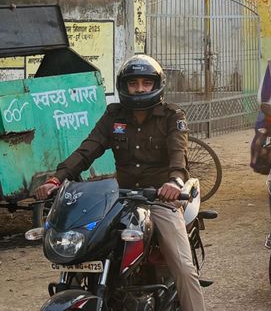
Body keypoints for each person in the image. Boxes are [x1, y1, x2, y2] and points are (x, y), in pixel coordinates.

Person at [34, 55, 206, 311]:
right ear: (124, 86)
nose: (140, 89)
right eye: (133, 83)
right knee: (87, 247)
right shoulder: (114, 115)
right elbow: (88, 149)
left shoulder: (172, 116)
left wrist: (174, 182)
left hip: (160, 199)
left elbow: (178, 154)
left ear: (157, 84)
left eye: (146, 83)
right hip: (121, 198)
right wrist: (56, 179)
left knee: (182, 266)